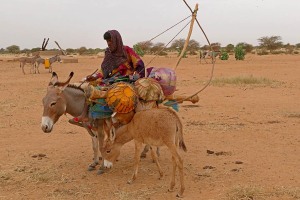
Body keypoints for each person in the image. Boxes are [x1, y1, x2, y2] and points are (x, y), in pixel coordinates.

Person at [69, 30, 145, 126]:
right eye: (107, 41)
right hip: (109, 80)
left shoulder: (127, 51)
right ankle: (85, 115)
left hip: (125, 81)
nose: (108, 43)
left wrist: (135, 76)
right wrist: (94, 76)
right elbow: (103, 70)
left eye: (110, 41)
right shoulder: (108, 53)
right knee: (91, 87)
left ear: (117, 40)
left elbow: (140, 65)